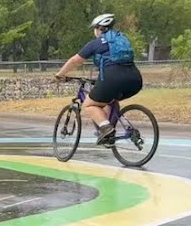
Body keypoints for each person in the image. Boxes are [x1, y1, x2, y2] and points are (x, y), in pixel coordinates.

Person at [54, 13, 143, 146]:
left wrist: (60, 75)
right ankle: (109, 131)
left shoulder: (95, 44)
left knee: (88, 104)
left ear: (100, 28)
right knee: (108, 101)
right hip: (135, 80)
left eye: (95, 28)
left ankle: (107, 129)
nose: (94, 32)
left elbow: (75, 61)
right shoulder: (122, 39)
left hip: (113, 79)